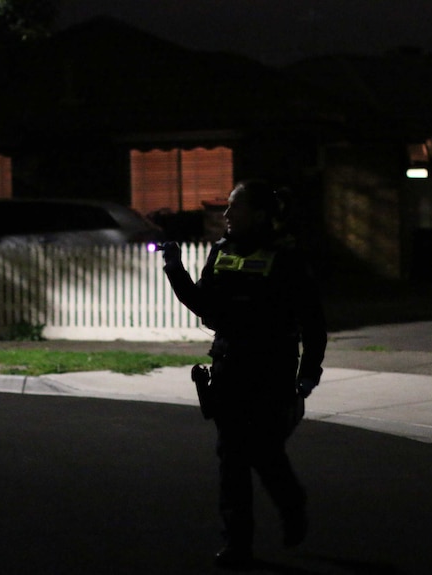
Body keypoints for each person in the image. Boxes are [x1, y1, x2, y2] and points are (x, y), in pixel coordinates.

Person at [161, 179, 328, 570]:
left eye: (234, 207)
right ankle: (237, 543)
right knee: (231, 457)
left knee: (264, 452)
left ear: (260, 214)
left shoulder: (286, 257)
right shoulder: (221, 252)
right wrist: (175, 270)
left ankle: (292, 505)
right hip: (230, 366)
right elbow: (204, 305)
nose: (227, 215)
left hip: (271, 368)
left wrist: (309, 373)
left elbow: (313, 323)